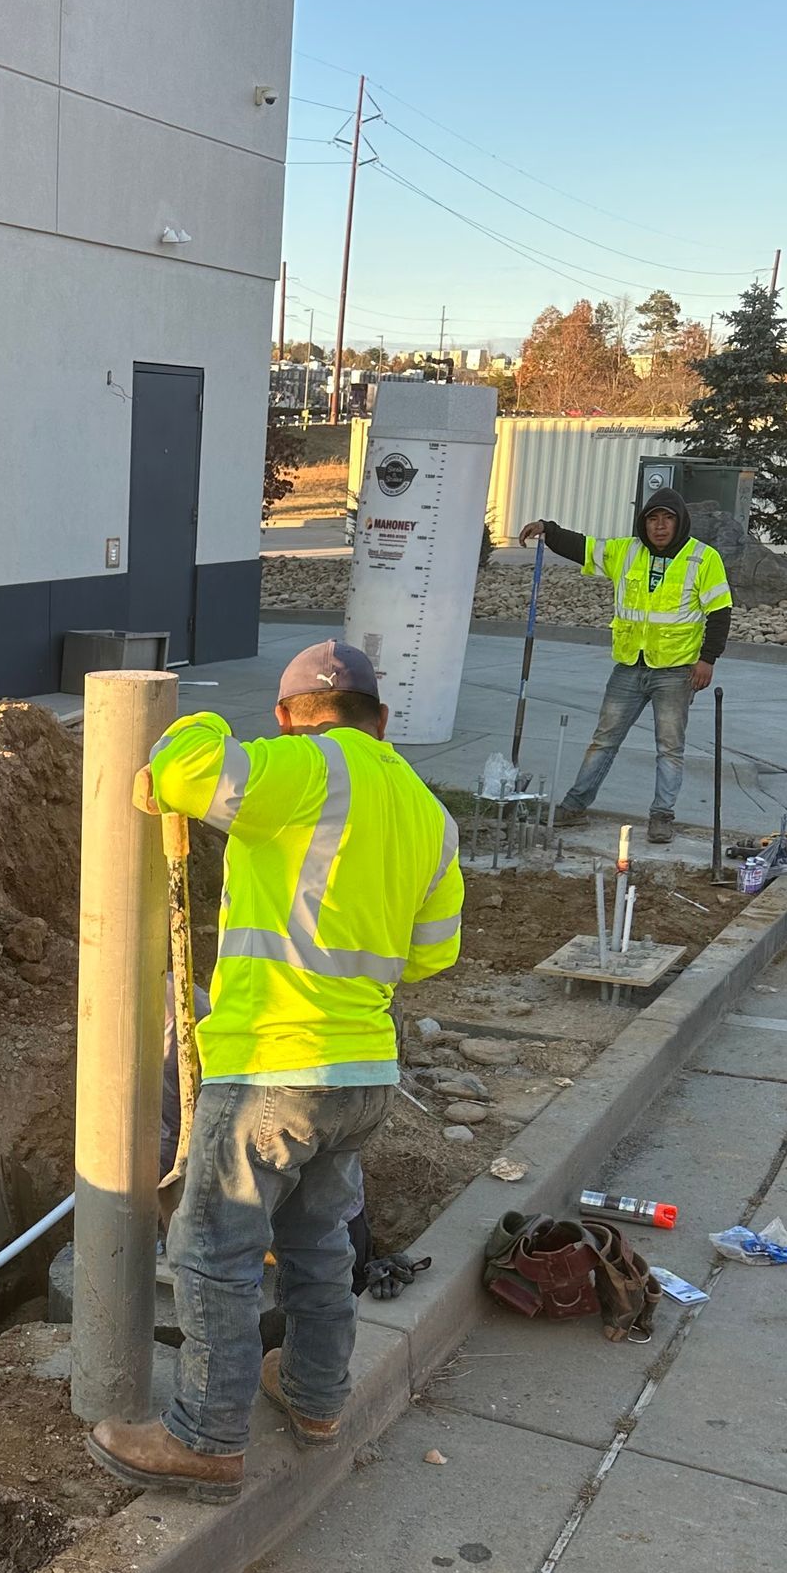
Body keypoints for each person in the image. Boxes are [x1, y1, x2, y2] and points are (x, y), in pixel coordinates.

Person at [88, 640, 463, 1505]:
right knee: (318, 1239)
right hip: (364, 1070)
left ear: (290, 716)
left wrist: (214, 717)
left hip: (271, 1065)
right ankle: (314, 1393)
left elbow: (184, 768)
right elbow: (435, 951)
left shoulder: (302, 767)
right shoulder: (425, 811)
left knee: (211, 1248)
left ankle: (207, 1439)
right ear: (382, 717)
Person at [518, 488, 732, 843]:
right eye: (652, 519)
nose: (659, 526)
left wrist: (707, 659)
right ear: (643, 523)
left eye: (667, 519)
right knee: (603, 741)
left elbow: (720, 612)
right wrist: (547, 529)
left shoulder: (703, 558)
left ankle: (662, 817)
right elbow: (584, 547)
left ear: (679, 523)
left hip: (676, 670)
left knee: (669, 748)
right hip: (630, 666)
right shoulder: (627, 551)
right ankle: (574, 807)